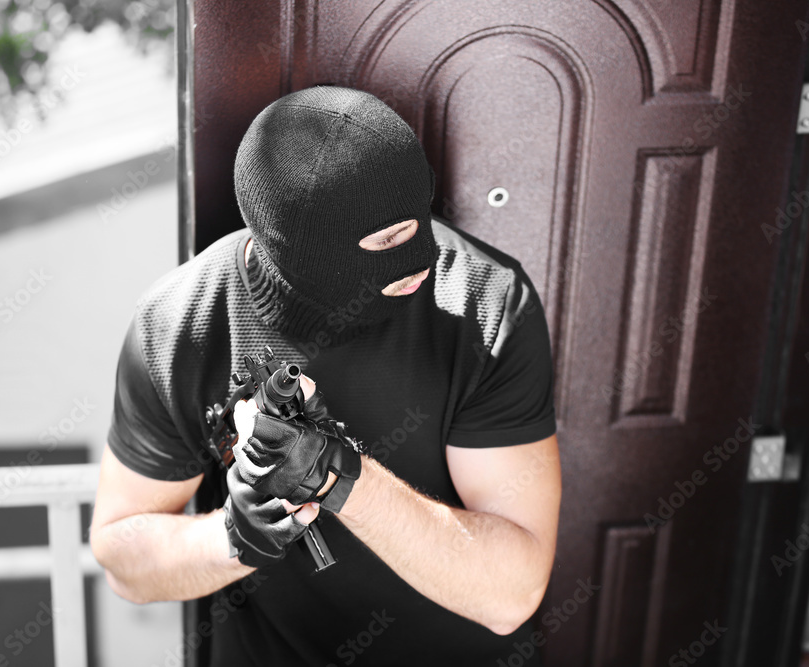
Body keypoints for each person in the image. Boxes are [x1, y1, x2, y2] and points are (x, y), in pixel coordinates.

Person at [89, 85, 562, 666]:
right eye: (389, 239)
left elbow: (512, 594)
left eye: (420, 217)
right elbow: (123, 562)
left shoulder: (484, 305)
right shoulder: (180, 324)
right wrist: (237, 534)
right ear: (311, 249)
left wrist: (344, 479)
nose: (423, 256)